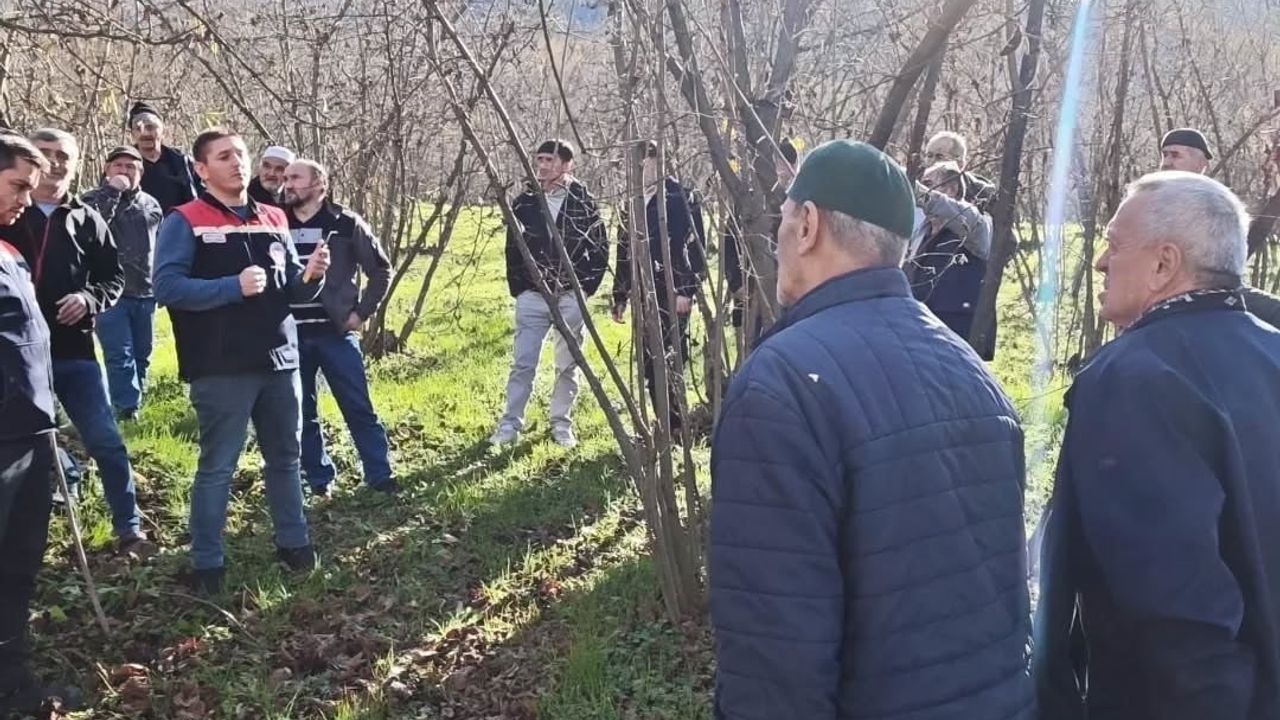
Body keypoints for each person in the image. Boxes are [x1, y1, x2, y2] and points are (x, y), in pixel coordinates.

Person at [710, 140, 1033, 719]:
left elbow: (776, 652)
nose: (778, 240)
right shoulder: (973, 374)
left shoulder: (781, 385)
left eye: (781, 220)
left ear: (806, 224)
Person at [1035, 171, 1280, 719]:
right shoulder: (1273, 353)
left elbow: (1176, 610)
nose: (1100, 261)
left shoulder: (1133, 379)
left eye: (1115, 245)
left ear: (1164, 265)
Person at [153, 127, 330, 595]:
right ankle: (207, 563)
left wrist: (309, 277)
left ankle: (295, 543)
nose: (237, 163)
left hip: (280, 357)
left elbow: (289, 285)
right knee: (219, 467)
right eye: (224, 156)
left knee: (286, 457)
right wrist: (230, 286)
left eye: (241, 154)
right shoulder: (184, 219)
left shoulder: (273, 216)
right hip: (221, 364)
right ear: (201, 169)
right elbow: (166, 288)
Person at [0, 129, 146, 551]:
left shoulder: (87, 218)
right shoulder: (10, 211)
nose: (55, 162)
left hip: (73, 352)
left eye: (63, 155)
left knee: (105, 440)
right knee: (25, 447)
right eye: (45, 154)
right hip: (16, 362)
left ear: (77, 163)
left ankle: (129, 526)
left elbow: (112, 277)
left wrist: (88, 299)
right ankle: (53, 501)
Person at [0, 133, 82, 715]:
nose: (27, 199)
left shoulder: (10, 253)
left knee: (18, 562)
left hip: (30, 434)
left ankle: (11, 682)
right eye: (17, 186)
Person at [280, 159, 397, 497]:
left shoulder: (345, 223)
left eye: (296, 178)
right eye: (286, 178)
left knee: (358, 406)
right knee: (302, 413)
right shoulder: (274, 221)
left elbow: (380, 270)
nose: (288, 184)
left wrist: (360, 314)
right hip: (289, 334)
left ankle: (380, 476)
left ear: (319, 185)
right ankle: (319, 481)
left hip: (335, 333)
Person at [489, 139, 608, 449]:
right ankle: (510, 425)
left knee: (568, 364)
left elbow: (600, 249)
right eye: (539, 159)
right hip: (532, 294)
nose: (542, 165)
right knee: (523, 362)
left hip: (570, 296)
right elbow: (512, 248)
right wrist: (521, 288)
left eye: (550, 160)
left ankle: (561, 424)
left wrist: (583, 288)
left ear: (567, 165)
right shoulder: (525, 202)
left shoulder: (583, 202)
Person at [611, 141, 706, 428]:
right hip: (642, 291)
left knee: (671, 355)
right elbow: (623, 251)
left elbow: (696, 246)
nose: (643, 170)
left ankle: (678, 423)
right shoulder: (632, 203)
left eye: (648, 163)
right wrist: (620, 294)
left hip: (672, 291)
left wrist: (686, 289)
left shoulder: (683, 198)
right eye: (637, 165)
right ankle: (661, 420)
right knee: (649, 358)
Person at [1154, 128, 1280, 327]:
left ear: (1201, 163)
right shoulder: (1148, 201)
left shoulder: (1216, 202)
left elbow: (1242, 247)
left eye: (1175, 155)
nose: (1167, 161)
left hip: (1215, 290)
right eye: (1165, 154)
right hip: (1167, 293)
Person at [82, 146, 163, 420]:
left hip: (146, 290)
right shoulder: (91, 200)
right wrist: (113, 192)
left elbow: (160, 244)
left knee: (143, 352)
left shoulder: (152, 204)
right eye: (118, 165)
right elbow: (90, 229)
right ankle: (127, 408)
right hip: (109, 292)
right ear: (107, 170)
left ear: (141, 172)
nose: (125, 171)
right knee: (120, 354)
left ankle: (135, 401)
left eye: (131, 167)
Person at [906, 160, 994, 352]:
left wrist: (910, 186)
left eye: (929, 184)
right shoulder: (922, 230)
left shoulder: (972, 222)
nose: (923, 190)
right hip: (922, 327)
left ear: (952, 189)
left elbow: (944, 206)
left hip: (958, 331)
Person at [128, 101, 203, 214]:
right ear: (132, 135)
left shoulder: (182, 162)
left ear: (163, 132)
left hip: (181, 227)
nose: (145, 133)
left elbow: (204, 199)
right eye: (138, 129)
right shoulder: (123, 165)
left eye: (150, 127)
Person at [923, 130, 996, 212]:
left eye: (939, 157)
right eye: (929, 156)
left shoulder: (981, 194)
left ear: (960, 163)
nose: (932, 161)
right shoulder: (916, 183)